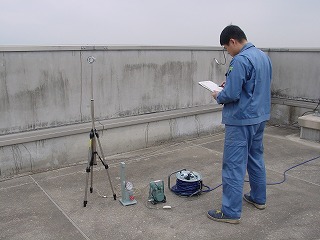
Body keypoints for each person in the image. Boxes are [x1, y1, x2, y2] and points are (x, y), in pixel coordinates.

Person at [207, 25, 272, 224]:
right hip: (259, 117)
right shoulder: (263, 57)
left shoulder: (241, 60)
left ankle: (231, 211)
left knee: (234, 165)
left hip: (241, 120)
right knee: (255, 158)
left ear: (233, 41)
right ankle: (258, 198)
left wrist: (219, 94)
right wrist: (231, 84)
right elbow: (254, 85)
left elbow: (232, 95)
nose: (228, 51)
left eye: (227, 48)